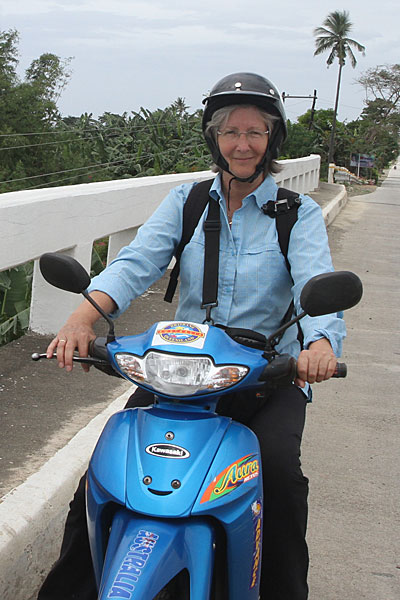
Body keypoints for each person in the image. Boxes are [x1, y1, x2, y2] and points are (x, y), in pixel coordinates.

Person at [37, 72, 345, 600]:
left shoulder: (297, 215)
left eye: (254, 132)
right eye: (230, 132)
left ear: (272, 138)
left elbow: (314, 282)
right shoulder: (188, 201)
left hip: (267, 376)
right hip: (181, 378)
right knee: (104, 476)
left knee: (278, 477)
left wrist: (318, 345)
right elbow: (137, 262)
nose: (242, 144)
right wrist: (81, 319)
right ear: (214, 138)